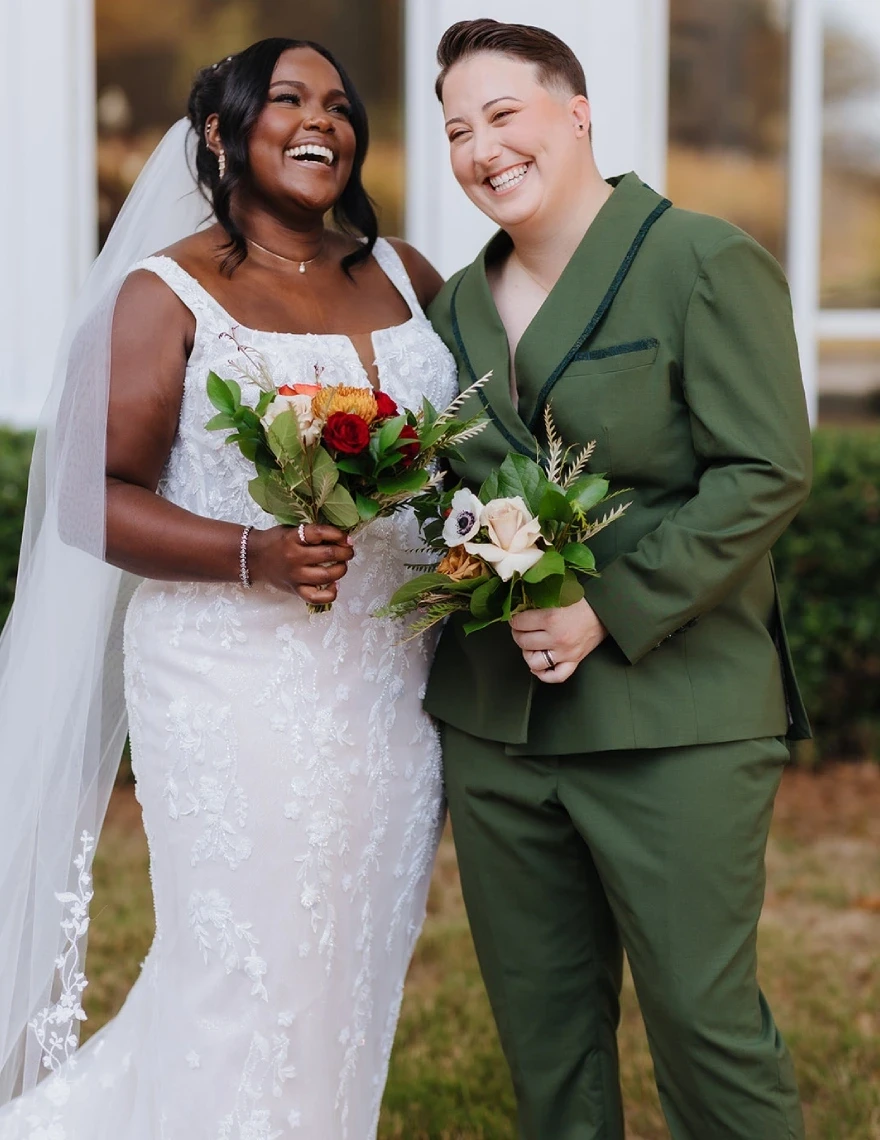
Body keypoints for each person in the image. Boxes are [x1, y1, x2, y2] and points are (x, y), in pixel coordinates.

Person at [0, 37, 456, 1139]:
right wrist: (251, 552)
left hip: (390, 686)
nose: (322, 121)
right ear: (220, 134)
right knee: (243, 961)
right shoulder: (168, 292)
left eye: (340, 105)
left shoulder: (408, 274)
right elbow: (88, 498)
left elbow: (473, 447)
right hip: (229, 678)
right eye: (288, 100)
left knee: (351, 955)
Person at [424, 18, 811, 1140]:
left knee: (704, 1029)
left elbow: (766, 470)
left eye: (503, 114)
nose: (481, 148)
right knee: (546, 1047)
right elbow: (449, 490)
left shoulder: (702, 259)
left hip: (673, 721)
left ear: (576, 112)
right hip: (499, 728)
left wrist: (605, 605)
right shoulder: (451, 305)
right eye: (456, 130)